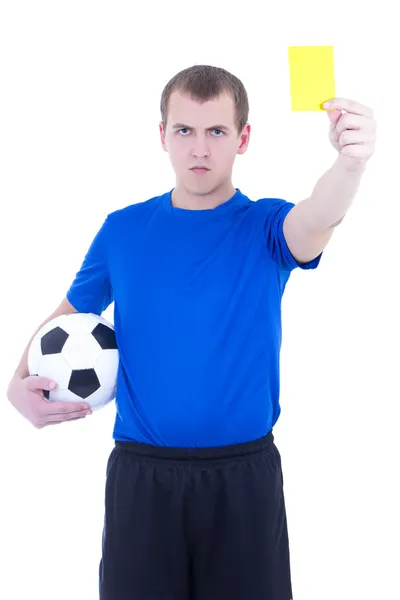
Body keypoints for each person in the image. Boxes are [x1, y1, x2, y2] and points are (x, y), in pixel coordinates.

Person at [7, 65, 376, 600]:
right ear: (162, 135)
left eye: (216, 132)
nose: (199, 148)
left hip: (243, 478)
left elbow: (317, 217)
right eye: (184, 131)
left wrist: (350, 163)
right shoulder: (123, 229)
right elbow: (65, 320)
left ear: (242, 138)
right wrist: (17, 384)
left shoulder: (267, 226)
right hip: (143, 477)